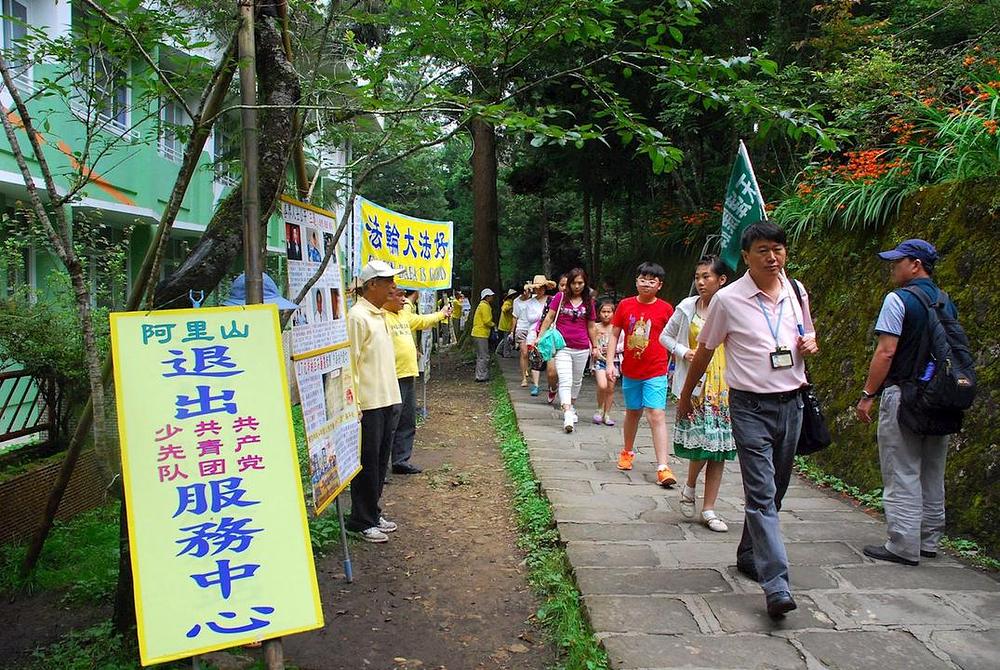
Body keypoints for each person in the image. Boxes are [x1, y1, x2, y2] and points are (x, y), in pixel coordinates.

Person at [676, 222, 819, 619]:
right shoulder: (728, 300)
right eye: (763, 250)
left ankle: (747, 553)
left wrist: (810, 342)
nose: (772, 257)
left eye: (778, 249)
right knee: (760, 491)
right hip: (749, 407)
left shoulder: (796, 290)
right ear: (746, 257)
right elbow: (704, 350)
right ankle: (777, 585)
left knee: (775, 491)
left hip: (793, 404)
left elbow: (807, 334)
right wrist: (687, 394)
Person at [855, 240, 956, 566]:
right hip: (941, 397)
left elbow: (886, 351)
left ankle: (902, 544)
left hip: (905, 395)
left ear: (915, 264)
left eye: (897, 261)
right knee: (932, 469)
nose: (892, 266)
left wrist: (869, 394)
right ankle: (928, 540)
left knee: (902, 469)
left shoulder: (898, 299)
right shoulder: (944, 301)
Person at [661, 255, 736, 533]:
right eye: (698, 277)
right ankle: (690, 486)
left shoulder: (733, 308)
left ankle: (709, 508)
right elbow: (665, 337)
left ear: (722, 280)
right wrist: (684, 352)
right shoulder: (687, 308)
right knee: (703, 444)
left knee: (721, 449)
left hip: (725, 387)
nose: (701, 282)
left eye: (707, 276)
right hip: (696, 386)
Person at [346, 260, 406, 543]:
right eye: (388, 281)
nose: (393, 286)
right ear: (372, 285)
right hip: (368, 403)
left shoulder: (379, 315)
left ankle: (373, 510)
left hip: (387, 398)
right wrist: (354, 403)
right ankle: (360, 520)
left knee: (380, 460)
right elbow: (351, 363)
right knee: (367, 462)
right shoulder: (357, 317)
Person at [607, 262, 676, 487]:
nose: (646, 284)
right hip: (631, 370)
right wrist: (610, 363)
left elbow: (674, 337)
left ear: (660, 285)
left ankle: (663, 466)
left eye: (652, 281)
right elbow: (614, 335)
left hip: (656, 369)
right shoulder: (625, 306)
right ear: (636, 281)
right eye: (643, 279)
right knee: (633, 412)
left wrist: (675, 365)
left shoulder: (666, 309)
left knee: (656, 414)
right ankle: (627, 451)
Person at [383, 286, 452, 475]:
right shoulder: (380, 316)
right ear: (387, 297)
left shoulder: (403, 314)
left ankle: (401, 460)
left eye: (405, 296)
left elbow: (421, 321)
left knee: (407, 420)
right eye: (399, 296)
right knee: (389, 424)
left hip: (408, 374)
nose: (404, 300)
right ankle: (380, 468)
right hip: (390, 377)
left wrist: (441, 314)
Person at [538, 268, 599, 432]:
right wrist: (540, 337)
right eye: (574, 283)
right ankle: (567, 413)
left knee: (577, 380)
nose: (577, 286)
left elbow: (591, 326)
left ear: (585, 284)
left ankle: (572, 406)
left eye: (580, 283)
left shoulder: (588, 302)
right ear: (569, 283)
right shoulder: (560, 297)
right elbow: (549, 317)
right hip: (562, 346)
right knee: (565, 379)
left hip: (582, 347)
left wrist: (595, 346)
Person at [519, 276, 554, 395]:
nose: (539, 291)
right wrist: (543, 316)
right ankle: (536, 385)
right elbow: (530, 318)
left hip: (549, 333)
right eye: (537, 288)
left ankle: (552, 384)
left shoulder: (551, 300)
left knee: (550, 359)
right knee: (535, 358)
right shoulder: (530, 303)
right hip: (534, 332)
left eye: (541, 288)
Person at [593, 299, 623, 426]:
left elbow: (623, 344)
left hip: (614, 360)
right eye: (603, 311)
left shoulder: (617, 329)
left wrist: (613, 348)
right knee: (602, 385)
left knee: (610, 388)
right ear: (599, 313)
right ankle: (600, 408)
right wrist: (595, 350)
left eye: (609, 312)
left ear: (614, 313)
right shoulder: (595, 327)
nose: (606, 314)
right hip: (599, 361)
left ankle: (607, 413)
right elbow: (591, 342)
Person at [511, 284, 534, 386]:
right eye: (524, 291)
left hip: (532, 328)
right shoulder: (516, 301)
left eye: (527, 291)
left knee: (531, 353)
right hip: (521, 328)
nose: (526, 293)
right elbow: (515, 316)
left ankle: (529, 369)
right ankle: (524, 378)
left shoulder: (534, 299)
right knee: (524, 352)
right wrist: (512, 331)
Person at [471, 288, 496, 382]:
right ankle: (481, 376)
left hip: (478, 333)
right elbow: (486, 321)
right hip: (481, 333)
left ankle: (480, 375)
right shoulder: (485, 306)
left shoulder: (481, 305)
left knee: (480, 355)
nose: (492, 298)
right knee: (484, 356)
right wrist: (493, 324)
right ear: (487, 297)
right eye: (491, 296)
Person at [497, 288, 518, 357]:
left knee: (506, 338)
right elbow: (504, 309)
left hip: (508, 324)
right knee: (507, 339)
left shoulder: (511, 302)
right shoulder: (508, 302)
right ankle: (506, 353)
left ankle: (499, 350)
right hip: (506, 324)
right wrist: (511, 307)